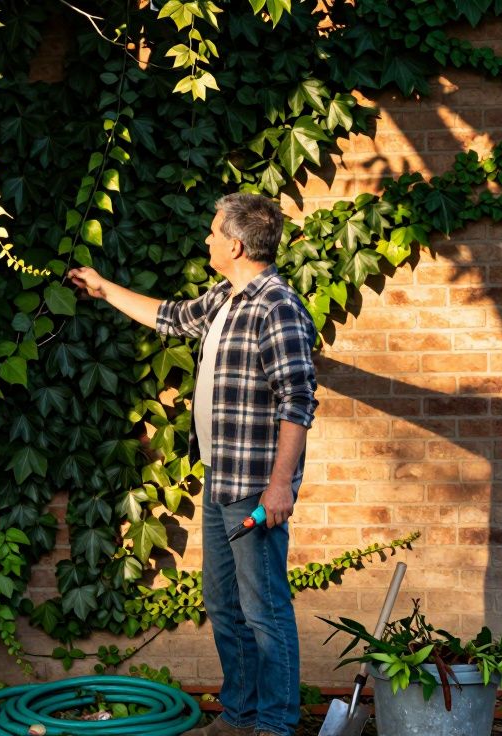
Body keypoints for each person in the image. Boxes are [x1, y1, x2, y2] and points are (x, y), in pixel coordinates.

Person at [68, 192, 318, 736]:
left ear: (234, 243)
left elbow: (297, 401)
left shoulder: (276, 305)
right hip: (221, 481)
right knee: (224, 606)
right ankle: (239, 715)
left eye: (212, 233)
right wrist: (103, 287)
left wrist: (281, 488)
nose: (206, 239)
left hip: (254, 489)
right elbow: (168, 317)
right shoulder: (226, 299)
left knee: (265, 612)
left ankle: (275, 726)